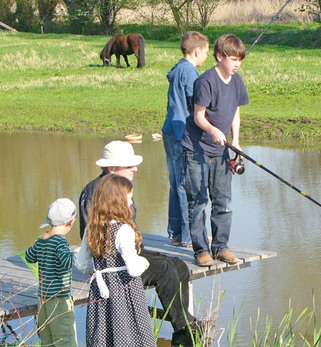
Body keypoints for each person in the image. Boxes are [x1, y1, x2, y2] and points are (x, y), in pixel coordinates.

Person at [79, 140, 200, 347]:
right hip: (115, 264)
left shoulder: (120, 188)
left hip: (129, 250)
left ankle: (181, 326)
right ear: (112, 168)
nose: (135, 168)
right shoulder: (96, 192)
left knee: (179, 266)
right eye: (129, 165)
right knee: (163, 270)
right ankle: (185, 329)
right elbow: (95, 240)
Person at [182, 34, 249, 267]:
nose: (237, 64)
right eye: (232, 59)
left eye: (240, 60)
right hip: (196, 150)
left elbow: (235, 113)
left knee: (223, 202)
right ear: (219, 56)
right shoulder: (205, 81)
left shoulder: (237, 80)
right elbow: (199, 117)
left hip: (221, 151)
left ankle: (220, 248)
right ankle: (201, 250)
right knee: (198, 201)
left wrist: (236, 140)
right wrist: (212, 130)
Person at [77, 174, 156, 346]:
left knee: (103, 336)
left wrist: (99, 271)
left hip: (100, 292)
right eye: (129, 198)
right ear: (117, 201)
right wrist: (143, 262)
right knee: (131, 335)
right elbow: (133, 269)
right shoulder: (123, 230)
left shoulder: (91, 228)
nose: (130, 203)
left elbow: (81, 264)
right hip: (124, 293)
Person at [162, 31, 210, 247]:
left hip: (169, 130)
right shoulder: (190, 73)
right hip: (182, 133)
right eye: (206, 53)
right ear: (197, 51)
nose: (206, 57)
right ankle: (189, 236)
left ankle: (177, 233)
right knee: (184, 184)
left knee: (175, 184)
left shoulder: (177, 68)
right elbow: (195, 104)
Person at [25, 198, 79, 347]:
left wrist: (40, 246)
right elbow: (68, 263)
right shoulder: (60, 242)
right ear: (71, 222)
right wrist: (76, 252)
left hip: (43, 300)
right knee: (65, 340)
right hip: (59, 300)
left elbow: (29, 256)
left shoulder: (41, 239)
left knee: (47, 340)